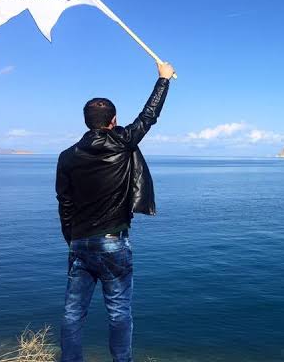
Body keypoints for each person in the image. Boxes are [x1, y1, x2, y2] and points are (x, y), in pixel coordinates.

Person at [55, 61, 175, 362]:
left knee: (72, 313)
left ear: (86, 121)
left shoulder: (67, 157)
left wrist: (72, 239)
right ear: (114, 120)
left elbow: (64, 202)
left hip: (79, 242)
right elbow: (148, 116)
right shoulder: (122, 142)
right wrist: (163, 79)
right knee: (119, 312)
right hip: (113, 242)